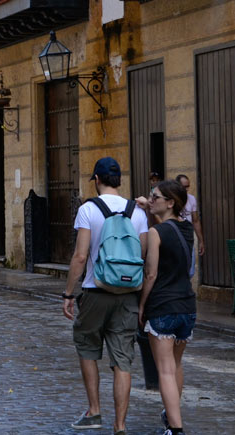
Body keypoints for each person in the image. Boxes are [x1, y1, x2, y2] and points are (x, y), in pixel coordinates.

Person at [63, 157, 148, 435]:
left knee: (87, 347)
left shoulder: (89, 209)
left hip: (95, 289)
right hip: (128, 294)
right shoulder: (137, 212)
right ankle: (120, 425)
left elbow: (80, 256)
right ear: (119, 181)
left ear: (97, 180)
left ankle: (94, 410)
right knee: (123, 360)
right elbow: (143, 254)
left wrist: (68, 293)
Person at [139, 179, 197, 435]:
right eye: (151, 197)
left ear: (171, 202)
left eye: (155, 197)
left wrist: (142, 305)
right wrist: (148, 209)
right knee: (176, 365)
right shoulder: (187, 230)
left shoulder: (156, 233)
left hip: (162, 306)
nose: (151, 200)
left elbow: (150, 274)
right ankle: (172, 414)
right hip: (187, 306)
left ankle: (176, 428)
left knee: (164, 370)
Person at [174, 175, 205, 257]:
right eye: (184, 187)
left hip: (188, 237)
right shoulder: (171, 200)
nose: (187, 189)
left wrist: (201, 240)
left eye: (188, 186)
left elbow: (196, 221)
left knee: (190, 263)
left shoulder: (191, 199)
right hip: (175, 237)